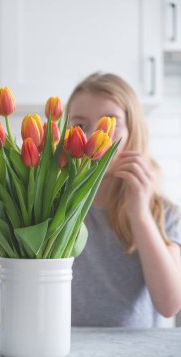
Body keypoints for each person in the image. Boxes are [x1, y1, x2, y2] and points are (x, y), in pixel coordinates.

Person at [68, 72, 181, 327]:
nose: (95, 137)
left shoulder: (162, 212)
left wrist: (139, 213)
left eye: (110, 123)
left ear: (133, 131)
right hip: (69, 353)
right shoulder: (57, 209)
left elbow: (170, 304)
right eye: (80, 125)